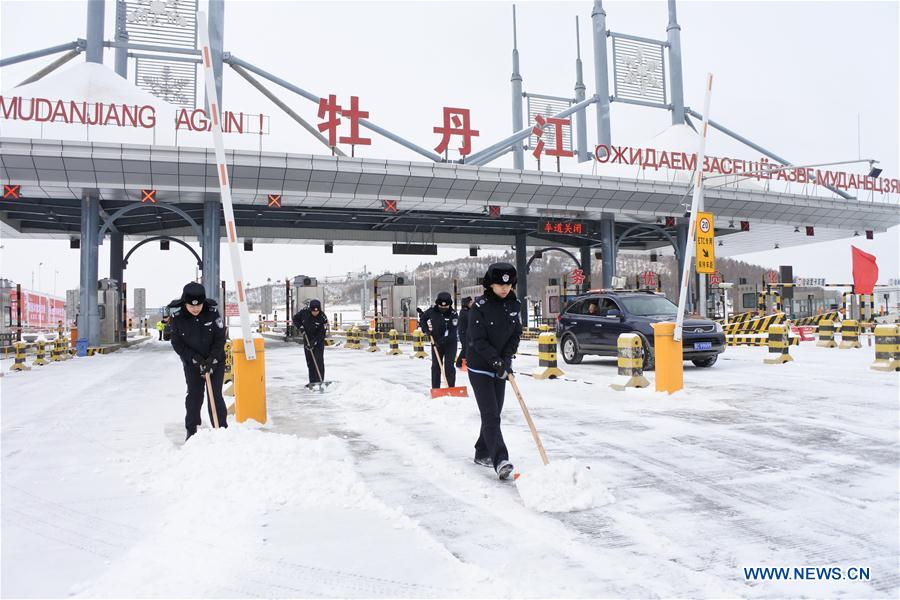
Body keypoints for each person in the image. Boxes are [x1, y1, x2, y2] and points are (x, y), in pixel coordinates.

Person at [466, 263, 522, 480]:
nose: (504, 288)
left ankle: (482, 451)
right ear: (490, 284)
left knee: (494, 413)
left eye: (508, 284)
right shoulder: (479, 306)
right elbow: (477, 340)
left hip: (501, 365)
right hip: (480, 366)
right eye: (500, 284)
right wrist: (497, 362)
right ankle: (500, 459)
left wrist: (506, 360)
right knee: (490, 414)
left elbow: (515, 334)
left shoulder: (514, 305)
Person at [168, 282, 228, 441]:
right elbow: (177, 344)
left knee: (215, 395)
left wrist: (212, 360)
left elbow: (220, 339)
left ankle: (221, 428)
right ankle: (191, 430)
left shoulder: (212, 314)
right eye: (191, 305)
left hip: (215, 361)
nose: (195, 308)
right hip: (192, 363)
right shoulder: (177, 318)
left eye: (199, 305)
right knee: (194, 396)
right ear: (185, 302)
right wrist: (195, 359)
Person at [418, 292, 459, 389]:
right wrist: (427, 331)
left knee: (449, 366)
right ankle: (436, 388)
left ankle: (451, 388)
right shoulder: (432, 311)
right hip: (435, 342)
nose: (443, 309)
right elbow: (423, 319)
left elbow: (452, 331)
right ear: (438, 304)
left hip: (450, 343)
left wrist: (441, 341)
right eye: (441, 307)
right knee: (436, 366)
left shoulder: (453, 314)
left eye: (446, 307)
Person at [292, 299, 328, 386]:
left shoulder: (323, 317)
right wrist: (300, 327)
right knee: (310, 361)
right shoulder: (304, 312)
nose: (315, 313)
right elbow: (295, 319)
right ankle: (312, 382)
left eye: (317, 311)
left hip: (318, 341)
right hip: (307, 338)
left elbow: (322, 334)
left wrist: (314, 342)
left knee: (318, 360)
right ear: (310, 309)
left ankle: (320, 381)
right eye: (313, 311)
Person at [455, 296, 473, 369]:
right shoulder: (464, 312)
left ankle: (463, 362)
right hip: (463, 333)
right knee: (465, 348)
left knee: (467, 348)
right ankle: (459, 363)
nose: (472, 303)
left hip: (467, 333)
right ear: (467, 303)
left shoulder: (468, 311)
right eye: (470, 302)